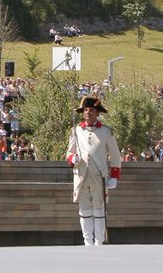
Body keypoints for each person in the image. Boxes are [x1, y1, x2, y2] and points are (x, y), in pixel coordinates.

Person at [66, 95, 121, 246]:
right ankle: (87, 241)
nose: (88, 113)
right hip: (81, 175)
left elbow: (115, 156)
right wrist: (73, 158)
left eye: (91, 110)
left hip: (99, 176)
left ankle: (99, 241)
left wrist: (114, 176)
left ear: (97, 113)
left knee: (99, 209)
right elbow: (69, 153)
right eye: (86, 110)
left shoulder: (106, 132)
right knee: (84, 210)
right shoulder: (76, 131)